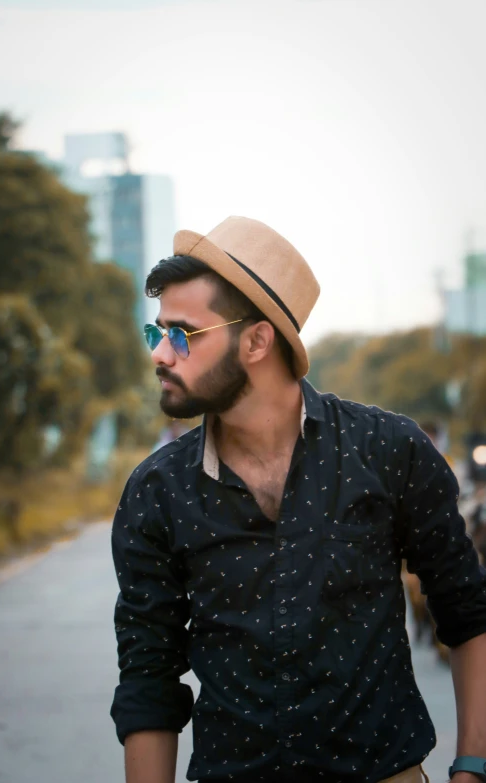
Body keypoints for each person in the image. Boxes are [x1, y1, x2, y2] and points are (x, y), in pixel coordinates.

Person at [110, 216, 486, 783]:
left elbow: (467, 612)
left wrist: (473, 766)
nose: (161, 354)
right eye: (155, 333)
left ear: (258, 340)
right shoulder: (156, 491)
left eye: (182, 334)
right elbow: (148, 678)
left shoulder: (388, 451)